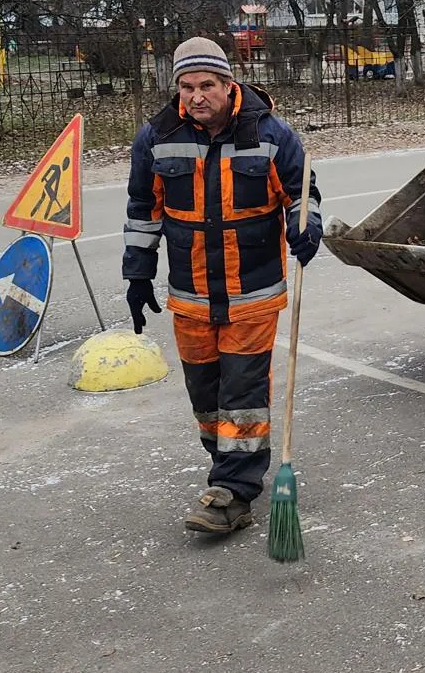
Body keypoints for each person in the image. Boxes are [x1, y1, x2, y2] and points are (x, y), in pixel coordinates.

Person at [123, 36, 321, 534]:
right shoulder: (157, 137)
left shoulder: (270, 134)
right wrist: (137, 273)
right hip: (190, 296)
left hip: (252, 295)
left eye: (206, 85)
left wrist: (305, 226)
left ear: (228, 84)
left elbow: (301, 193)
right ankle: (227, 467)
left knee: (242, 395)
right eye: (187, 86)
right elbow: (143, 210)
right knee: (206, 398)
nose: (196, 96)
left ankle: (233, 491)